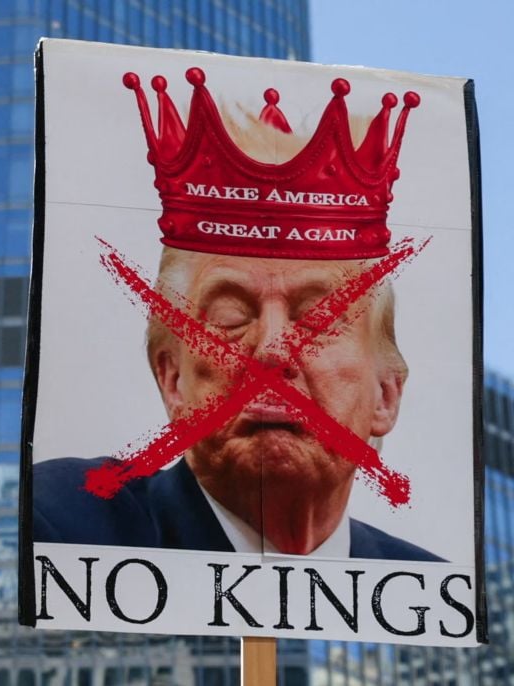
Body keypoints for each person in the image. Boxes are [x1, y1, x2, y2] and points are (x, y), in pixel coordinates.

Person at [32, 68, 442, 562]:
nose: (271, 349)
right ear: (172, 379)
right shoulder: (61, 524)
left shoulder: (422, 587)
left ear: (386, 396)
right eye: (229, 318)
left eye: (317, 320)